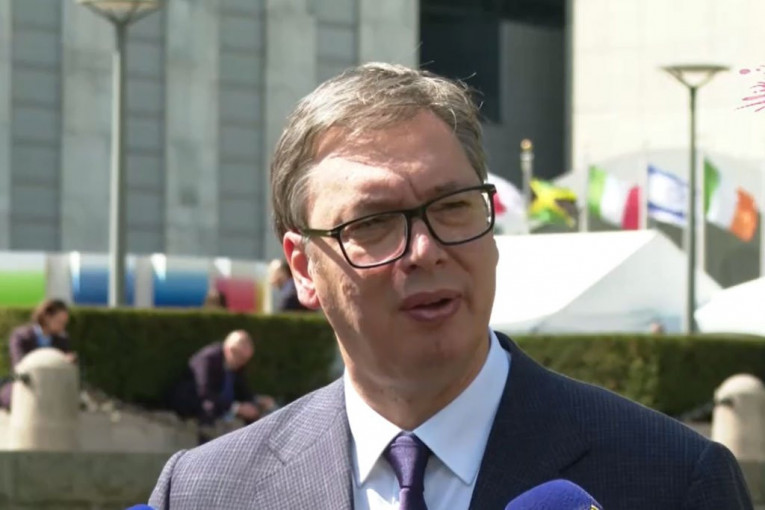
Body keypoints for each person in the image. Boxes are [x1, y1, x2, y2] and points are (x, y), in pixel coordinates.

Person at [149, 63, 752, 509]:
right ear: (305, 269)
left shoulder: (672, 478)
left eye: (453, 206)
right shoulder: (204, 491)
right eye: (374, 222)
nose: (426, 250)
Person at [167, 330, 276, 442]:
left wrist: (256, 401)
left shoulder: (237, 365)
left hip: (223, 407)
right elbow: (205, 393)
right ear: (230, 350)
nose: (242, 363)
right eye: (241, 358)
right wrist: (236, 408)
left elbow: (243, 391)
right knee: (210, 407)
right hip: (195, 405)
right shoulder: (208, 359)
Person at [0, 298, 75, 410]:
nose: (62, 327)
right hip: (24, 387)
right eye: (59, 322)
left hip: (52, 390)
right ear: (47, 317)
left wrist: (67, 361)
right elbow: (19, 364)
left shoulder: (61, 340)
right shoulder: (21, 336)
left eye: (64, 323)